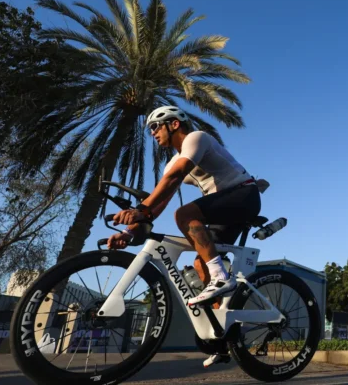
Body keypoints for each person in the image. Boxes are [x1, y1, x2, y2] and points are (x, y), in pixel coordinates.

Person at [106, 106, 262, 307]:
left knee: (184, 214)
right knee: (202, 263)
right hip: (224, 208)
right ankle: (221, 326)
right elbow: (160, 202)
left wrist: (139, 210)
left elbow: (175, 176)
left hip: (244, 194)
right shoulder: (171, 163)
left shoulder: (197, 138)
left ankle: (221, 278)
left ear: (174, 124)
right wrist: (128, 233)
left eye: (155, 126)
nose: (152, 133)